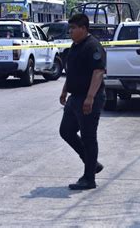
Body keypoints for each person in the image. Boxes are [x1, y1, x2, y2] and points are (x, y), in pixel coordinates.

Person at [59, 13, 106, 190]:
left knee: (88, 137)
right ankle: (91, 163)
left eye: (73, 28)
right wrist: (64, 91)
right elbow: (72, 72)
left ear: (84, 29)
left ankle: (89, 179)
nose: (70, 31)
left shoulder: (92, 46)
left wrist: (90, 97)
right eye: (69, 28)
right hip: (74, 98)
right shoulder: (75, 46)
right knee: (66, 131)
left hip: (88, 99)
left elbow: (98, 72)